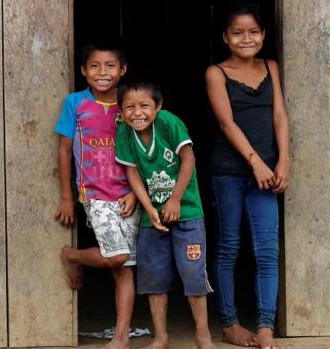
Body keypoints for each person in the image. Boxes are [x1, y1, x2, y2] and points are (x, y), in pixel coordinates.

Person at [205, 3, 289, 349]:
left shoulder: (271, 66)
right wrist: (254, 160)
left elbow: (280, 115)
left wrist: (283, 160)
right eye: (238, 32)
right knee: (229, 248)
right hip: (229, 172)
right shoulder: (216, 73)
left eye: (253, 31)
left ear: (263, 35)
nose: (246, 38)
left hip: (267, 174)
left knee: (267, 251)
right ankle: (229, 323)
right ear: (226, 37)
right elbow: (226, 123)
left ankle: (266, 325)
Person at [115, 78, 216, 349]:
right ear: (121, 111)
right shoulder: (124, 133)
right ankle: (161, 337)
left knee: (193, 273)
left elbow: (189, 160)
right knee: (153, 277)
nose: (137, 113)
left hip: (187, 212)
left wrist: (175, 199)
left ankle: (203, 335)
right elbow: (132, 172)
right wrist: (149, 208)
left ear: (158, 106)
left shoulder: (169, 122)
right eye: (129, 107)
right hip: (153, 219)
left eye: (145, 106)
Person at [55, 42, 139, 349]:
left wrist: (136, 193)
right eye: (94, 66)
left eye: (110, 66)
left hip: (127, 195)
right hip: (95, 194)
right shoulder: (75, 103)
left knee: (124, 267)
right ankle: (72, 255)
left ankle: (121, 338)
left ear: (123, 71)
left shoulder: (130, 104)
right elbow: (65, 151)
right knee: (118, 256)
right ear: (83, 71)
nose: (102, 73)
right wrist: (67, 197)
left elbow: (142, 153)